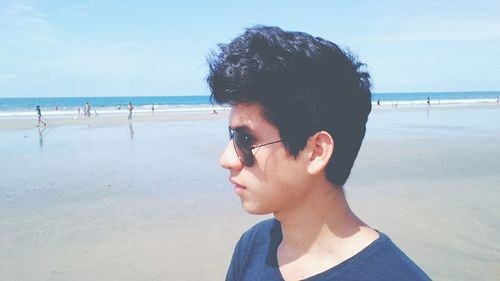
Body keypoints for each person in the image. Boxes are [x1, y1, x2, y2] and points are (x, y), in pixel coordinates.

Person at [207, 25, 430, 281]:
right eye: (232, 136)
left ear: (316, 151)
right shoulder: (254, 246)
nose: (226, 159)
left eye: (245, 139)